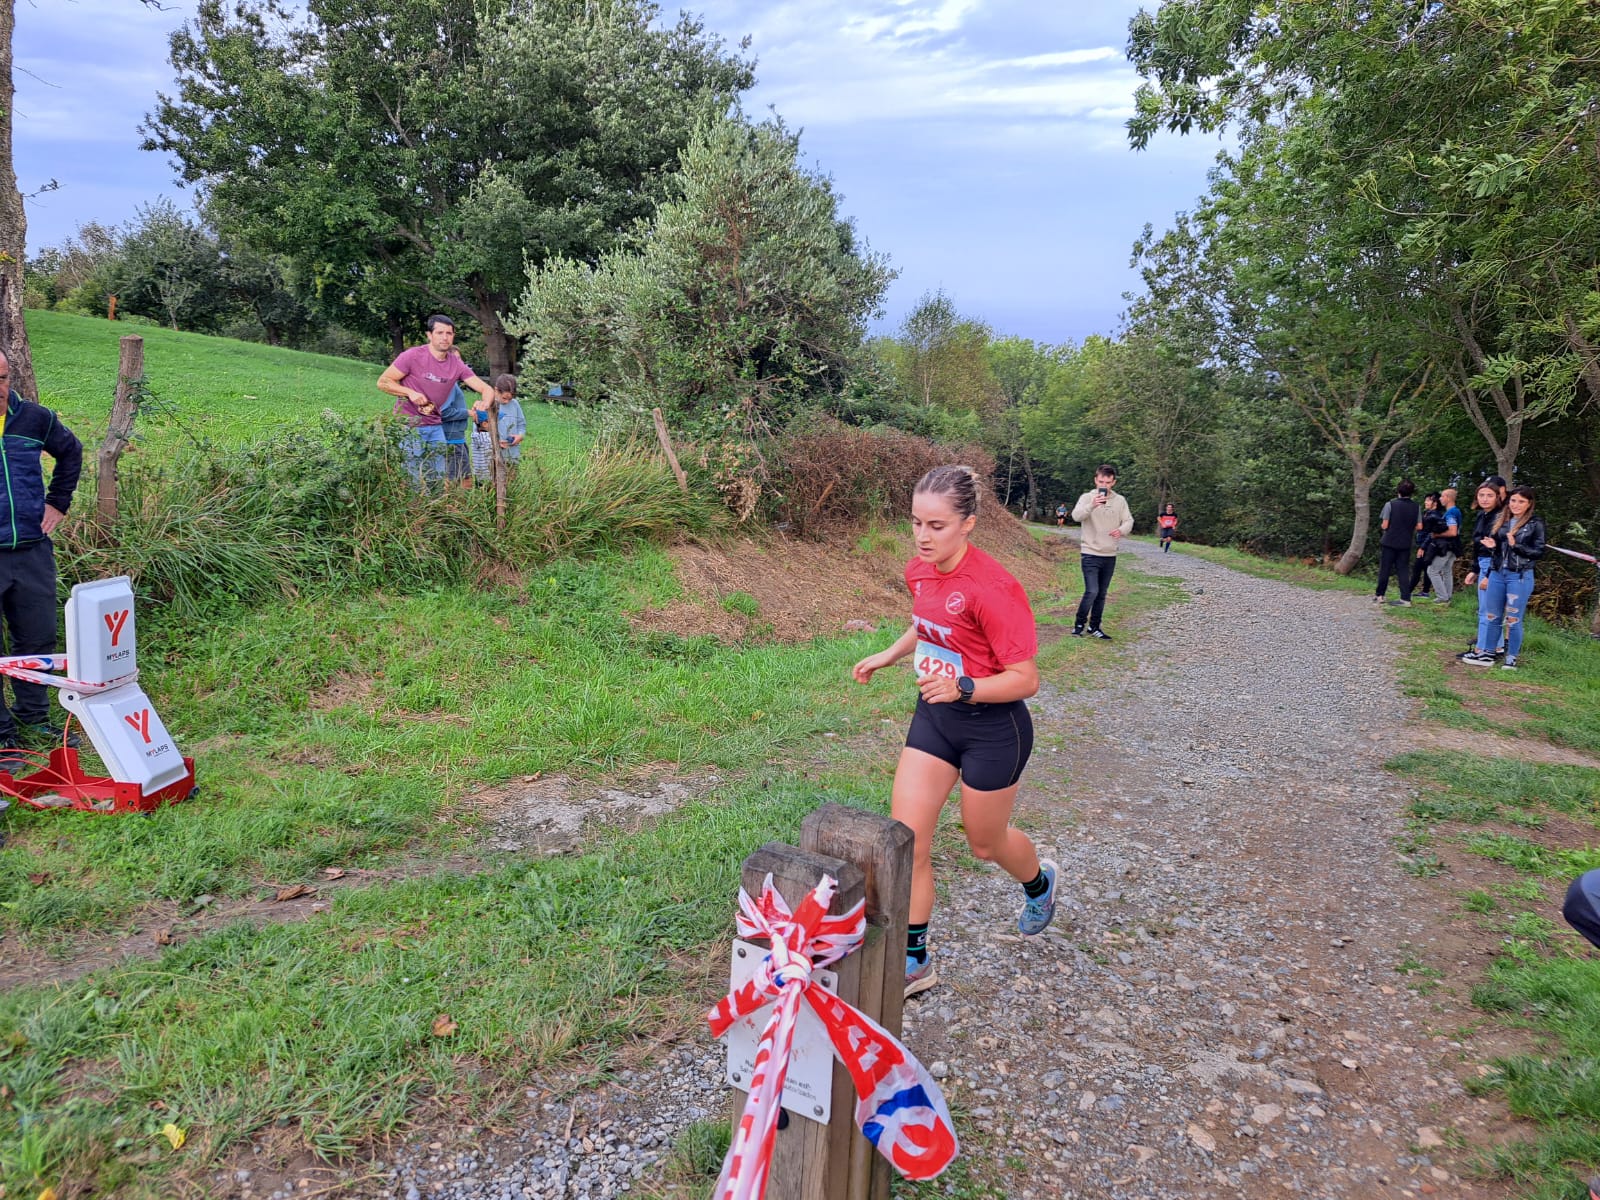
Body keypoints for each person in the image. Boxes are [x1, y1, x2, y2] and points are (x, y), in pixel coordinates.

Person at [851, 465, 1058, 999]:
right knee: (908, 841)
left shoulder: (994, 588)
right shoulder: (920, 569)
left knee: (985, 845)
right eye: (916, 522)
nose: (922, 536)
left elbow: (1026, 679)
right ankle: (915, 961)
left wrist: (964, 687)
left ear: (968, 524)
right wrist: (889, 654)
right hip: (936, 718)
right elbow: (928, 620)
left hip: (994, 729)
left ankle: (1039, 883)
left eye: (937, 525)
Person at [0, 351, 83, 770]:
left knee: (36, 638)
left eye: (1, 377)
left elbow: (71, 451)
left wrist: (58, 502)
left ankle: (33, 716)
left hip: (32, 548)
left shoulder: (34, 418)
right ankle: (2, 739)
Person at [376, 316, 497, 489]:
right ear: (429, 335)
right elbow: (383, 382)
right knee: (413, 480)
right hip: (409, 426)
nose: (444, 337)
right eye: (439, 332)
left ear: (453, 336)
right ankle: (414, 513)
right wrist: (409, 392)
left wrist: (484, 403)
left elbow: (487, 389)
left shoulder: (456, 364)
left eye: (449, 333)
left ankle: (435, 513)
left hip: (435, 426)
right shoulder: (412, 356)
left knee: (439, 480)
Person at [1463, 485, 1544, 670]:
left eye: (1521, 501)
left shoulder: (1535, 523)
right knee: (1492, 616)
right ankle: (1488, 654)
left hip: (1520, 576)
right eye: (1513, 500)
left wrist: (1516, 546)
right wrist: (1493, 548)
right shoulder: (1502, 519)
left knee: (1513, 619)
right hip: (1498, 573)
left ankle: (1511, 658)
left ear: (1529, 503)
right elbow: (1499, 552)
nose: (1516, 504)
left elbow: (1538, 552)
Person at [1070, 464, 1134, 639]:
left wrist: (1121, 530)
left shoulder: (1120, 501)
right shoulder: (1086, 498)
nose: (1103, 485)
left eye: (1107, 482)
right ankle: (1079, 624)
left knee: (1102, 593)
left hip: (1109, 554)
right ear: (1095, 480)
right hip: (1090, 551)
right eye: (1100, 481)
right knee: (1092, 591)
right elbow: (1076, 516)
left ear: (1113, 482)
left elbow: (1129, 520)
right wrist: (1092, 505)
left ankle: (1095, 627)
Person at [1458, 479, 1507, 662]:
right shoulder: (1482, 515)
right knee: (1487, 608)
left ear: (1498, 497)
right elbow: (1479, 546)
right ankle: (1497, 646)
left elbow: (1498, 549)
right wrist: (1475, 569)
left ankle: (1483, 650)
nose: (1485, 499)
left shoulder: (1499, 517)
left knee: (1487, 609)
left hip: (1494, 565)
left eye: (1489, 496)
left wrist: (1487, 575)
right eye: (1481, 495)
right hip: (1483, 562)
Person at [1373, 479, 1422, 607]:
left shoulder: (1390, 504)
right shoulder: (1416, 507)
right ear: (1412, 492)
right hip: (1405, 542)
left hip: (1389, 541)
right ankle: (1406, 598)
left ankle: (1380, 595)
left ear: (1398, 491)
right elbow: (1420, 526)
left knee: (1385, 569)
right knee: (1403, 570)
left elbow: (1385, 525)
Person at [1427, 486, 1462, 603]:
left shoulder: (1451, 513)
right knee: (1447, 571)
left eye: (1442, 496)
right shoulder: (1456, 511)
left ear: (1447, 498)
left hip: (1447, 547)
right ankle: (1448, 596)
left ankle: (1442, 597)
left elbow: (1453, 532)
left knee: (1432, 570)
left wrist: (1436, 535)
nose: (1440, 499)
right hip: (1454, 547)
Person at [1409, 492, 1446, 598]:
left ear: (1435, 502)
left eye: (1428, 500)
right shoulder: (1428, 513)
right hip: (1424, 544)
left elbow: (1432, 533)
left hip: (1428, 545)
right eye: (1426, 500)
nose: (1426, 502)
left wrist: (1423, 547)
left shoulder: (1434, 515)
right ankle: (1425, 591)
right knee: (1425, 568)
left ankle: (1408, 590)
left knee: (1418, 568)